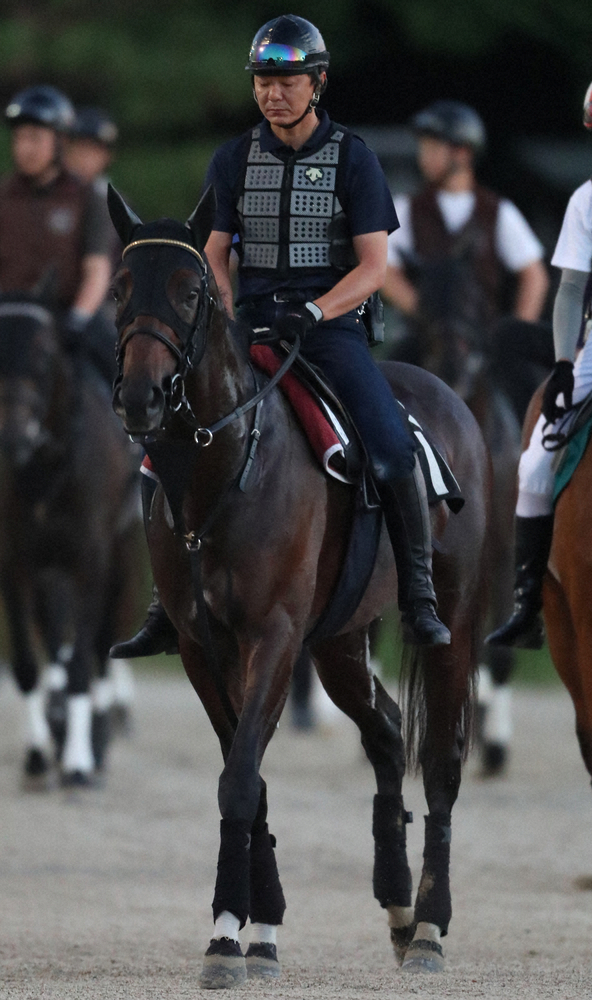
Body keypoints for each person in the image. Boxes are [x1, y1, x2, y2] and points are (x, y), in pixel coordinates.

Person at [111, 14, 452, 660]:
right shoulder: (233, 159)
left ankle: (420, 595)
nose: (273, 92)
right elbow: (212, 253)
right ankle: (167, 604)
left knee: (389, 445)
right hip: (248, 331)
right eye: (264, 81)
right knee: (162, 451)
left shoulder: (354, 158)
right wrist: (222, 307)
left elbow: (374, 268)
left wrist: (318, 313)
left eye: (286, 80)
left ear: (316, 83)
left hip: (331, 334)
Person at [486, 82, 592, 648]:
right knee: (532, 468)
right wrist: (562, 364)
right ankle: (528, 603)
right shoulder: (586, 201)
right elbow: (570, 289)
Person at [382, 100, 551, 423]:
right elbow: (385, 270)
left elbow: (533, 274)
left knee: (531, 406)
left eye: (434, 148)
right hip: (426, 340)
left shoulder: (497, 211)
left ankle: (539, 459)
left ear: (462, 152)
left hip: (484, 340)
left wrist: (514, 328)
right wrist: (427, 313)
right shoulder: (408, 208)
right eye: (424, 148)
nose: (424, 156)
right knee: (383, 386)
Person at [0, 85, 116, 384]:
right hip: (8, 317)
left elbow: (96, 270)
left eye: (35, 138)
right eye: (19, 138)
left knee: (121, 373)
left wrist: (78, 318)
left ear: (60, 141)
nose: (25, 148)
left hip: (67, 317)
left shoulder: (87, 198)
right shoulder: (3, 196)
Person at [63, 106, 118, 187]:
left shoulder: (110, 198)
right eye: (81, 147)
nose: (86, 158)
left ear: (107, 157)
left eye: (95, 151)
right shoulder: (43, 190)